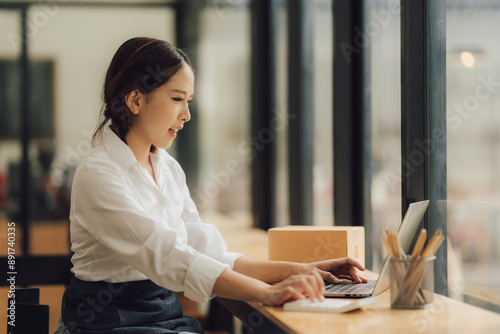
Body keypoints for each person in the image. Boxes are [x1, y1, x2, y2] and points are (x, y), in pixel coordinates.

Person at [55, 37, 366, 334]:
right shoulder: (97, 174)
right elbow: (168, 256)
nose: (187, 114)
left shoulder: (168, 168)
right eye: (177, 99)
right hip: (106, 323)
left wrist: (301, 270)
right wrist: (268, 293)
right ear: (136, 99)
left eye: (188, 101)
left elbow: (208, 253)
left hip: (163, 316)